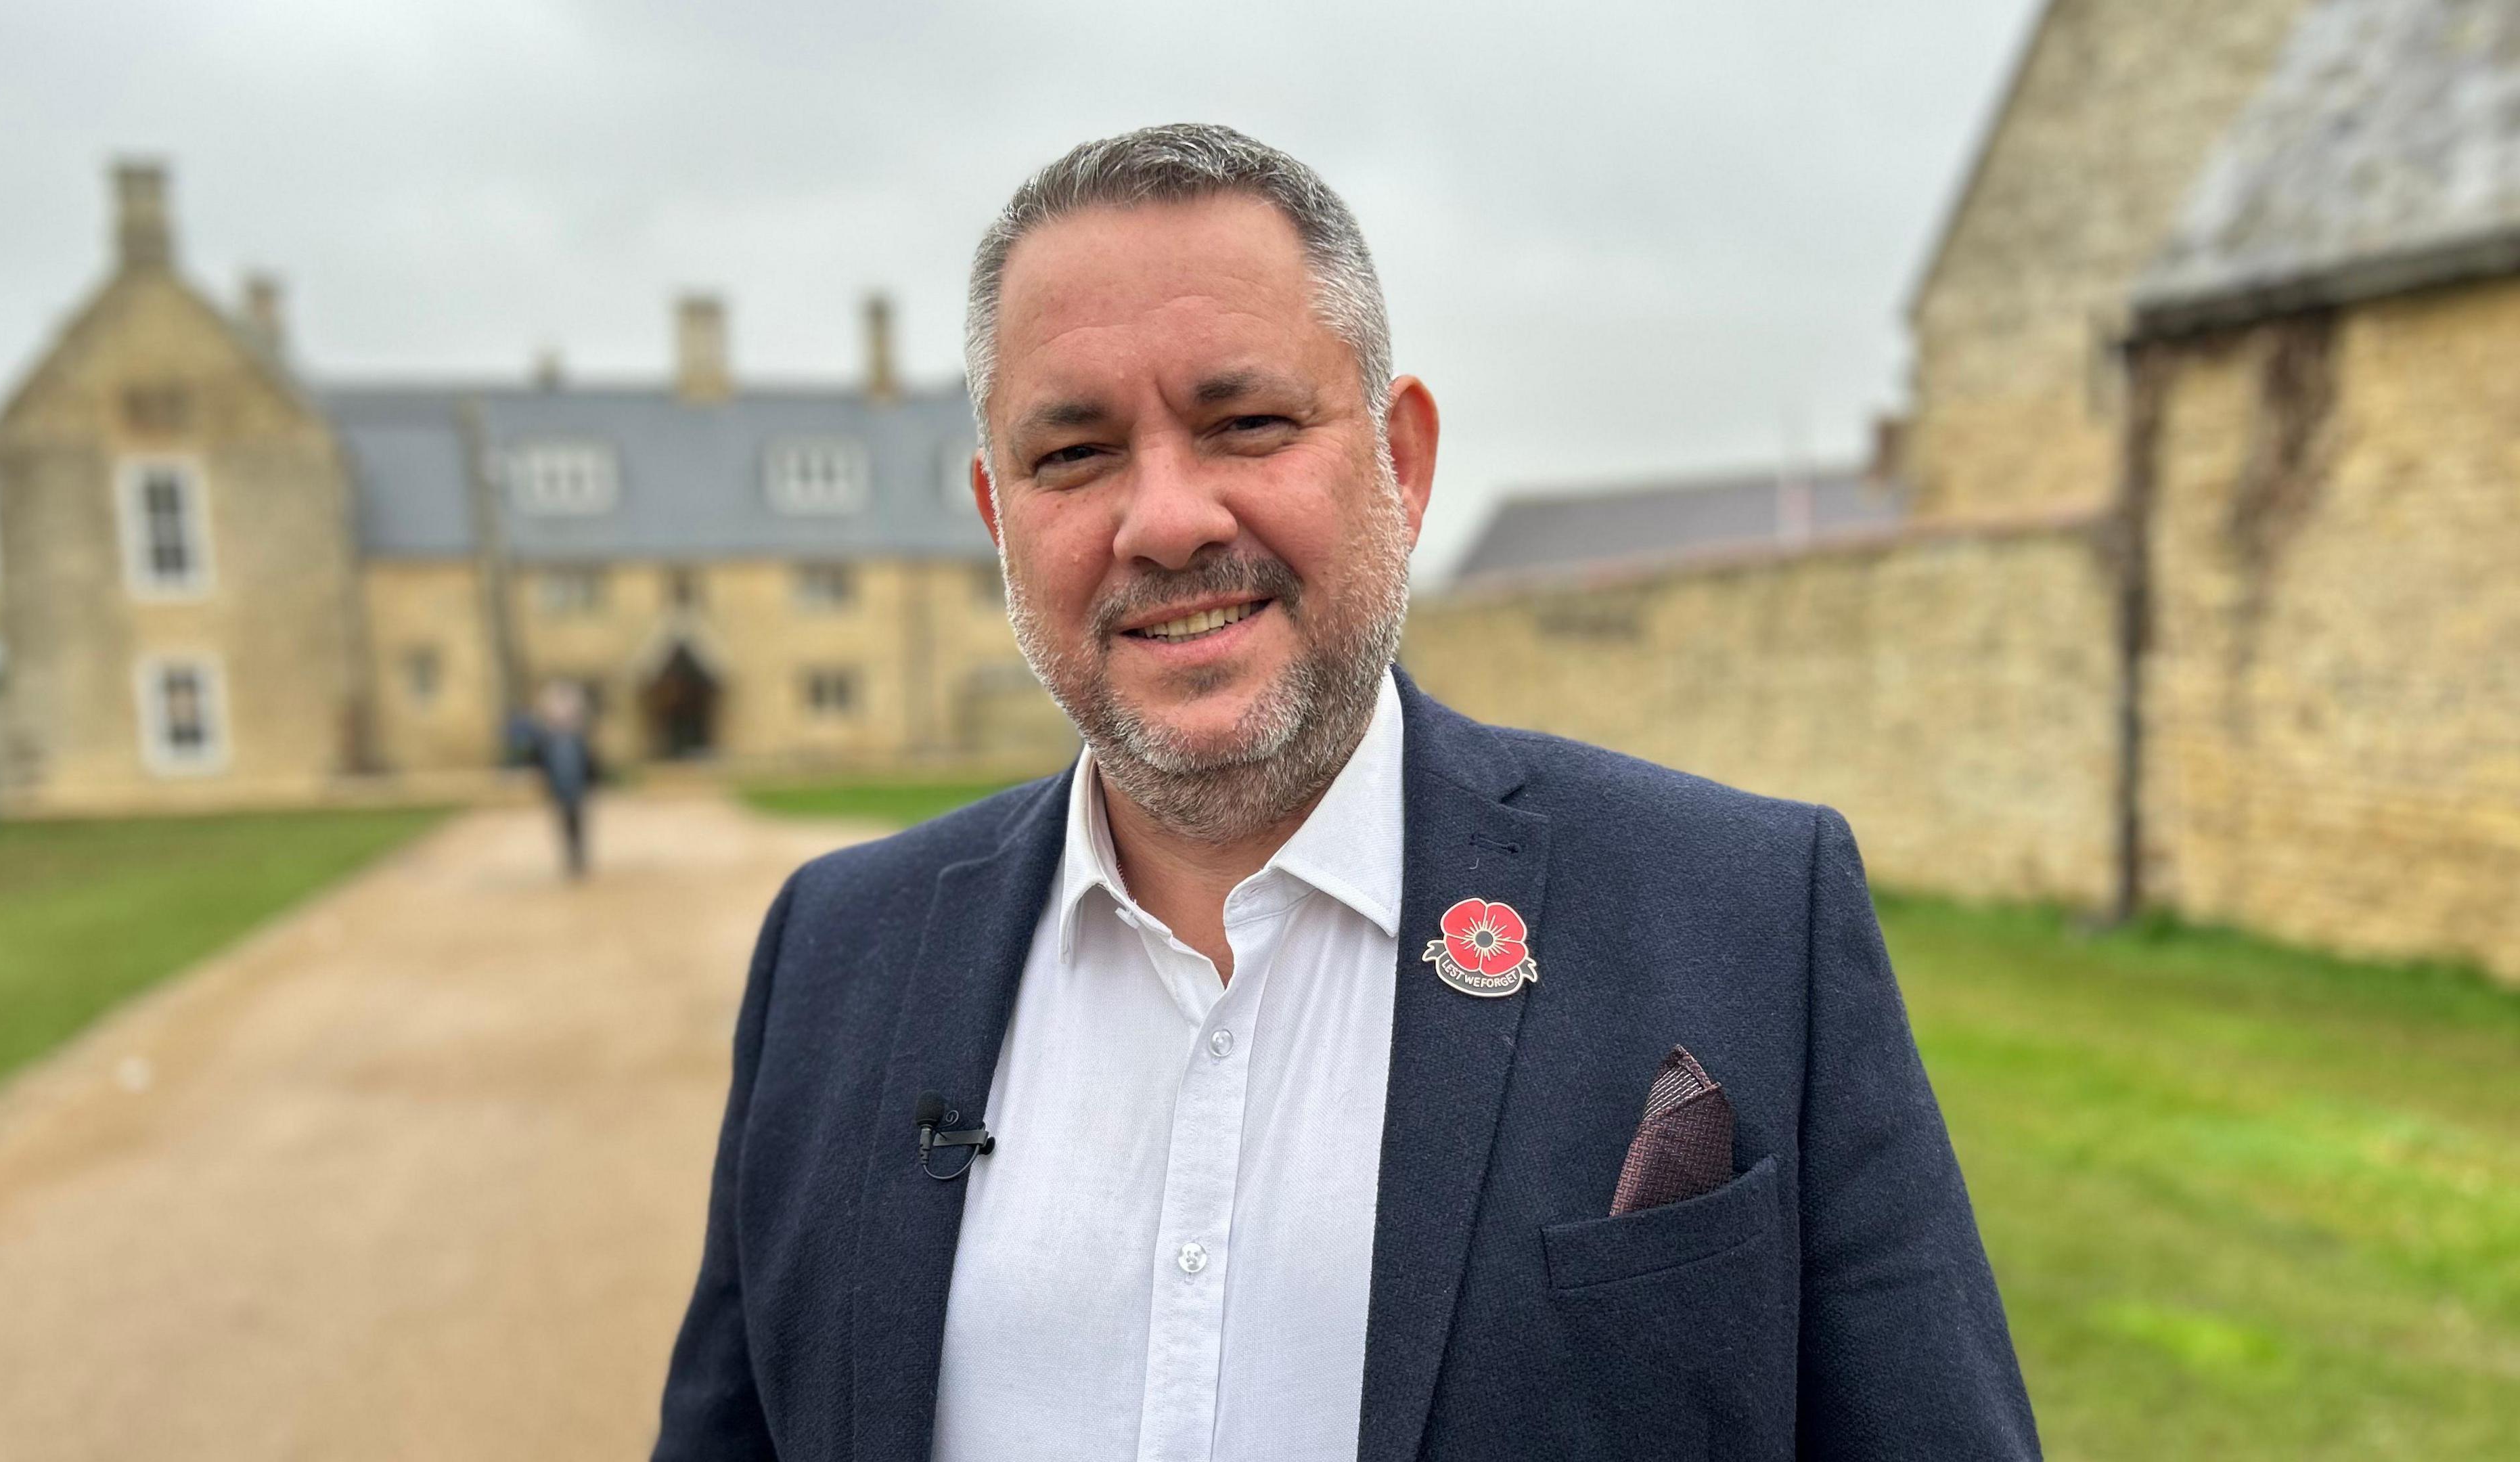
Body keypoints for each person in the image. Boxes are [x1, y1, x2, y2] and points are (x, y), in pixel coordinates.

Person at [654, 124, 2038, 1461]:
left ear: (1405, 460)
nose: (1168, 519)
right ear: (996, 517)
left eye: (1246, 422)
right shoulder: (835, 955)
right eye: (1072, 455)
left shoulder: (1744, 916)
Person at [526, 680, 598, 879]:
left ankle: (578, 855)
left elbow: (589, 758)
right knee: (565, 818)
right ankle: (572, 855)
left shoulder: (577, 739)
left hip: (575, 779)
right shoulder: (550, 739)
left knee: (577, 817)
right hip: (559, 780)